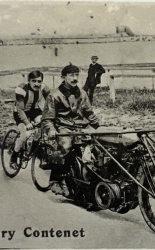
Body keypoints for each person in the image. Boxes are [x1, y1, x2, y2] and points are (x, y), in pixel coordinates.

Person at [42, 64, 100, 196]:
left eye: (76, 75)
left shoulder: (82, 93)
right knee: (65, 146)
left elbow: (88, 112)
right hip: (63, 127)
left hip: (81, 126)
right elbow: (47, 118)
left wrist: (97, 125)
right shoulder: (54, 95)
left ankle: (92, 184)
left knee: (98, 147)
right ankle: (55, 179)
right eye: (71, 75)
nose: (75, 78)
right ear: (63, 77)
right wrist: (51, 129)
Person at [10, 70, 51, 169]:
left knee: (39, 129)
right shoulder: (22, 89)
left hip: (34, 110)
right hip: (20, 113)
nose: (37, 84)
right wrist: (27, 123)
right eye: (34, 81)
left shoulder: (44, 88)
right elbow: (20, 109)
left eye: (39, 81)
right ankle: (13, 158)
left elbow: (50, 103)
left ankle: (31, 154)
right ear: (29, 81)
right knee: (25, 135)